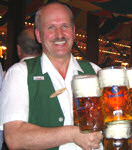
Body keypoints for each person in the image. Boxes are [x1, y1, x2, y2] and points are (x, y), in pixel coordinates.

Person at [0, 2, 103, 150]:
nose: (59, 34)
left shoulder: (95, 71)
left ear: (74, 32)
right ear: (38, 35)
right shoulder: (20, 73)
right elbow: (14, 138)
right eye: (51, 27)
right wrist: (72, 134)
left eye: (65, 26)